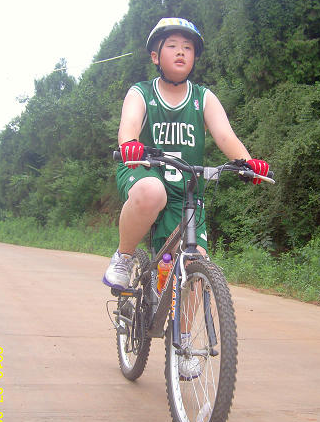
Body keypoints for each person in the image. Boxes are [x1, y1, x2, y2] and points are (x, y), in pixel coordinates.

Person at [103, 17, 271, 291]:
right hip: (142, 170)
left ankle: (181, 321)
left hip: (186, 189)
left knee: (195, 267)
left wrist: (248, 163)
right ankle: (124, 256)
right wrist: (130, 144)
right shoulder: (141, 92)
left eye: (187, 47)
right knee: (152, 191)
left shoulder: (203, 97)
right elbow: (129, 125)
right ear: (155, 56)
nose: (180, 52)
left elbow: (225, 136)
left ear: (195, 57)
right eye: (172, 46)